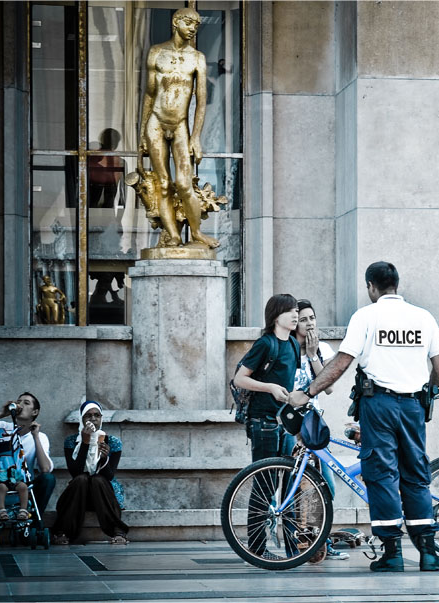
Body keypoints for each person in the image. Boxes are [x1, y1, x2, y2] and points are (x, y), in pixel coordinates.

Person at [289, 261, 439, 573]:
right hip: (413, 406)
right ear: (396, 285)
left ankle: (393, 553)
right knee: (416, 475)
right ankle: (429, 554)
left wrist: (308, 392)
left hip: (379, 406)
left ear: (370, 287)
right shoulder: (423, 317)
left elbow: (341, 362)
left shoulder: (366, 316)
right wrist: (426, 392)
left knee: (381, 475)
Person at [138, 7, 218, 249]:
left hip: (180, 124)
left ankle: (196, 233)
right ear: (176, 23)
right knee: (162, 183)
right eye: (189, 23)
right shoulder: (156, 52)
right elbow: (150, 95)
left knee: (183, 184)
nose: (193, 28)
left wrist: (196, 137)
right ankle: (172, 235)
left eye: (196, 24)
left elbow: (201, 101)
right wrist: (142, 133)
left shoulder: (197, 58)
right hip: (156, 122)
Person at [289, 298, 348, 561]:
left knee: (327, 487)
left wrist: (313, 356)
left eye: (312, 317)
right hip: (290, 426)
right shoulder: (287, 348)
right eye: (303, 319)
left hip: (314, 426)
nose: (310, 323)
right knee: (294, 487)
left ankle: (320, 541)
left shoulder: (322, 348)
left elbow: (329, 387)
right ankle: (299, 544)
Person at [233, 293, 301, 462]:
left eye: (296, 310)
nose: (295, 315)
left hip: (285, 420)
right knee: (265, 480)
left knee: (287, 478)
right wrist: (270, 387)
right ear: (276, 316)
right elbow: (239, 379)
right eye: (290, 311)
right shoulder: (265, 344)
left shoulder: (293, 344)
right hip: (263, 421)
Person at [52, 400, 129, 545]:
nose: (93, 419)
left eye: (97, 415)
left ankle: (118, 531)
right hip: (79, 494)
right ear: (82, 419)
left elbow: (109, 476)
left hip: (103, 494)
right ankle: (63, 531)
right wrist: (85, 444)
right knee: (81, 478)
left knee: (97, 479)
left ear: (101, 418)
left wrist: (104, 458)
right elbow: (75, 472)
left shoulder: (112, 442)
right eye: (88, 416)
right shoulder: (71, 442)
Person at [0, 393, 56, 516]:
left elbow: (45, 469)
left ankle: (33, 522)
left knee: (48, 479)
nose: (20, 405)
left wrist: (36, 437)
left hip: (22, 483)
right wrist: (1, 414)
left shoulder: (40, 436)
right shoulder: (1, 427)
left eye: (26, 403)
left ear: (35, 412)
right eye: (19, 401)